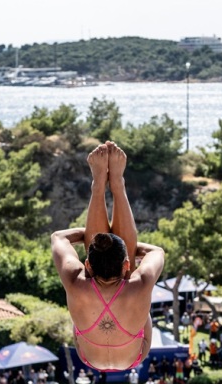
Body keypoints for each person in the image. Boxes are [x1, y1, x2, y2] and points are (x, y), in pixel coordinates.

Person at [51, 142, 165, 372]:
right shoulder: (140, 283)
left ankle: (102, 186)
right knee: (133, 276)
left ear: (87, 265)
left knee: (128, 268)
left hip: (88, 356)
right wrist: (115, 245)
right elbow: (156, 252)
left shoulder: (74, 280)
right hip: (133, 355)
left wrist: (94, 238)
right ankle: (115, 185)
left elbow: (57, 238)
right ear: (124, 265)